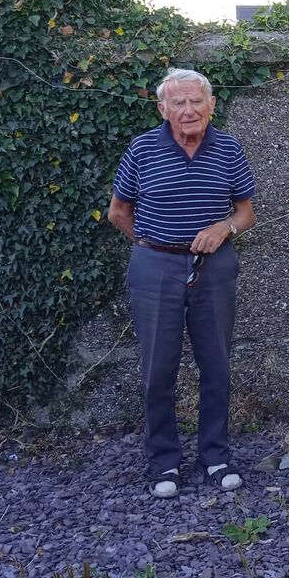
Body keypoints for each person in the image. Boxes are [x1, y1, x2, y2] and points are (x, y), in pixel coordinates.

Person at [108, 68, 257, 497]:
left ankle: (215, 456)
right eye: (178, 102)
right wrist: (153, 244)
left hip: (214, 268)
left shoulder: (228, 148)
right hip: (155, 267)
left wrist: (223, 228)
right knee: (157, 368)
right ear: (163, 109)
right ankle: (164, 463)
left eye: (196, 101)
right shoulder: (141, 150)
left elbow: (246, 212)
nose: (188, 110)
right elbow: (118, 212)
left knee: (216, 364)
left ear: (211, 106)